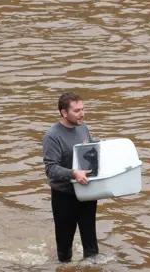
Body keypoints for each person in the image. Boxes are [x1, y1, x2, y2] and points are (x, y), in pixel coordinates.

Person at [42, 92, 98, 263]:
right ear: (64, 113)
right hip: (64, 195)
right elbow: (51, 169)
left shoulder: (83, 127)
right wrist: (73, 173)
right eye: (76, 110)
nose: (82, 113)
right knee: (65, 250)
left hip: (86, 190)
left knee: (92, 245)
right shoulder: (52, 136)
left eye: (83, 109)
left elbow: (90, 151)